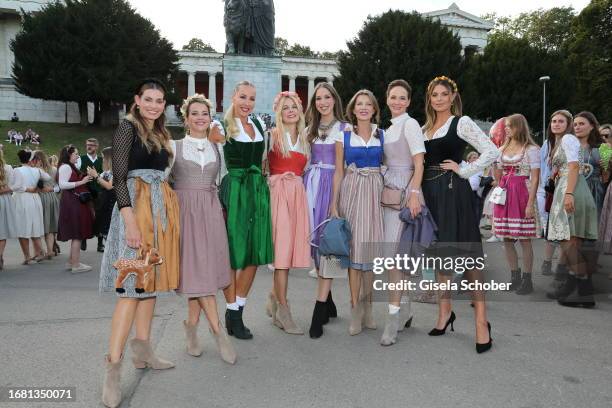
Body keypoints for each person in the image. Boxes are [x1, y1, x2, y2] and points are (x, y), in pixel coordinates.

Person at [99, 79, 180, 408]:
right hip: (134, 210)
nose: (154, 105)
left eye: (159, 100)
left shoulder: (161, 133)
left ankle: (143, 351)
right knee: (131, 291)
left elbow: (165, 175)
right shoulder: (126, 128)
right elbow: (119, 178)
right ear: (137, 99)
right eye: (149, 99)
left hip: (159, 211)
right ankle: (112, 369)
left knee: (150, 285)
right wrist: (130, 220)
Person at [420, 76, 498, 354]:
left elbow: (492, 150)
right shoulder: (424, 128)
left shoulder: (461, 122)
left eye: (444, 94)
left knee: (467, 256)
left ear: (453, 96)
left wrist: (464, 170)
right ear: (429, 99)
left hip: (454, 192)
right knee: (441, 254)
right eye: (434, 95)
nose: (439, 98)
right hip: (430, 194)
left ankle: (481, 322)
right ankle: (444, 313)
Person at [169, 94, 236, 364]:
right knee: (199, 273)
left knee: (203, 273)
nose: (200, 118)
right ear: (186, 118)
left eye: (204, 114)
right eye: (194, 113)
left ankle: (191, 327)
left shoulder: (217, 148)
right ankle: (219, 332)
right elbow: (161, 181)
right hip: (185, 213)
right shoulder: (173, 146)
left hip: (210, 212)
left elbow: (221, 182)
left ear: (211, 118)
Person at [219, 80, 273, 340]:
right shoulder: (220, 126)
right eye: (242, 97)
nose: (247, 103)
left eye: (251, 98)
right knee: (232, 253)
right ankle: (232, 311)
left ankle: (237, 310)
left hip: (257, 191)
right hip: (236, 191)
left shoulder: (260, 125)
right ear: (233, 97)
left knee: (253, 253)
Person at [331, 89, 384, 336]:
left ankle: (369, 307)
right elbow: (339, 171)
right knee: (354, 252)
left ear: (374, 109)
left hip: (374, 193)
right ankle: (355, 308)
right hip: (352, 191)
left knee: (370, 252)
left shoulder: (382, 135)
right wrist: (334, 203)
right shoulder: (343, 136)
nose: (363, 107)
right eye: (359, 104)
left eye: (368, 104)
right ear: (352, 109)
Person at [377, 80, 426, 346]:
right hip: (388, 194)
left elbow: (419, 162)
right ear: (387, 99)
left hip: (406, 194)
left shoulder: (410, 124)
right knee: (392, 257)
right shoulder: (388, 128)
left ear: (408, 101)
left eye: (402, 97)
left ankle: (392, 320)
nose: (397, 101)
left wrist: (414, 194)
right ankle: (404, 307)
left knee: (396, 259)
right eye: (393, 96)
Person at [302, 82, 347, 338]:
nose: (323, 102)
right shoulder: (309, 129)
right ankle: (328, 300)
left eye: (327, 97)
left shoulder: (344, 129)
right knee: (314, 244)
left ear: (334, 99)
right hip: (310, 184)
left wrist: (336, 199)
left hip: (331, 185)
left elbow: (342, 167)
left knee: (327, 243)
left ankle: (319, 309)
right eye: (318, 98)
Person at [265, 91, 311, 335]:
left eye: (294, 106)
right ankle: (283, 310)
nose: (290, 111)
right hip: (278, 195)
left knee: (289, 255)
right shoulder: (271, 136)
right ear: (278, 112)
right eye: (285, 107)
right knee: (281, 256)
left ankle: (274, 298)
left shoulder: (306, 138)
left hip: (297, 196)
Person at [545, 110, 598, 308]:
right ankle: (583, 292)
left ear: (568, 125)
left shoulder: (568, 138)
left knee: (569, 242)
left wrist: (568, 194)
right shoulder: (562, 142)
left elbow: (574, 167)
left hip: (572, 188)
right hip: (567, 187)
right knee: (570, 243)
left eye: (561, 121)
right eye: (553, 120)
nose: (556, 124)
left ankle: (583, 289)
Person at [492, 114, 541, 295]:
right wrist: (494, 165)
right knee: (506, 238)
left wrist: (530, 203)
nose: (506, 129)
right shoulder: (502, 148)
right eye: (505, 126)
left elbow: (535, 178)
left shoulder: (531, 149)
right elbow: (497, 176)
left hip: (521, 191)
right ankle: (515, 276)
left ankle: (528, 280)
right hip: (504, 192)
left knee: (525, 238)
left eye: (509, 126)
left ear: (519, 127)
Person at [56, 145, 94, 273]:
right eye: (76, 154)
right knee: (77, 234)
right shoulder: (66, 166)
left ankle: (71, 262)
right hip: (73, 202)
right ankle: (76, 265)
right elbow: (62, 184)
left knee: (76, 234)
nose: (78, 156)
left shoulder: (69, 166)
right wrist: (82, 182)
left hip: (73, 201)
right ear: (69, 155)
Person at [12, 149, 50, 264]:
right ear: (30, 160)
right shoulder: (37, 170)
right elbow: (48, 177)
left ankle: (27, 256)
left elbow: (15, 186)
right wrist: (38, 168)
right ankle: (40, 251)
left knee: (22, 228)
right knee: (35, 225)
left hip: (22, 199)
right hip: (35, 199)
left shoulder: (17, 170)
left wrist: (26, 188)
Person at [34, 150, 60, 259]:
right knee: (50, 225)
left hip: (40, 198)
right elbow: (59, 187)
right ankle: (50, 250)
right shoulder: (54, 169)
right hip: (53, 198)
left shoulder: (35, 171)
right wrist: (52, 189)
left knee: (42, 225)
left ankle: (40, 251)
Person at [88, 147, 115, 252]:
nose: (102, 160)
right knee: (105, 232)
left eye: (104, 158)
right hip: (104, 203)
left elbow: (109, 186)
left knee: (110, 232)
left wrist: (96, 176)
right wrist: (94, 175)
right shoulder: (107, 171)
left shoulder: (116, 170)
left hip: (111, 203)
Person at [78, 138, 104, 251]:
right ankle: (84, 238)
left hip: (99, 192)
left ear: (97, 146)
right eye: (88, 145)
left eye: (92, 145)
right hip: (85, 192)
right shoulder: (80, 159)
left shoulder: (102, 160)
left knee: (99, 216)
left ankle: (100, 243)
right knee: (85, 215)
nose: (89, 147)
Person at [0, 149, 17, 270]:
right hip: (4, 200)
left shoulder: (7, 168)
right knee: (2, 230)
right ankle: (0, 255)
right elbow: (13, 186)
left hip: (4, 199)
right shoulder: (8, 168)